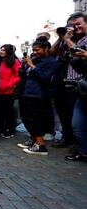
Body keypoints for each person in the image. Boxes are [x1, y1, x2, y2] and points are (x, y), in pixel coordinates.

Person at [50, 13, 87, 150]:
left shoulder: (83, 40)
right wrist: (61, 38)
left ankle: (78, 143)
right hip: (59, 80)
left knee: (74, 113)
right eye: (71, 25)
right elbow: (51, 53)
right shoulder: (66, 39)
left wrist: (67, 39)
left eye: (77, 24)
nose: (74, 28)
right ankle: (67, 138)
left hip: (76, 82)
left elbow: (78, 52)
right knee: (62, 112)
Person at [17, 36, 59, 155]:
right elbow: (25, 75)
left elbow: (45, 77)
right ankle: (34, 140)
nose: (35, 52)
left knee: (36, 119)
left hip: (38, 94)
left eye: (37, 50)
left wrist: (32, 65)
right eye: (33, 50)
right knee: (28, 118)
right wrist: (23, 67)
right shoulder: (34, 60)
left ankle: (41, 145)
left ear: (46, 49)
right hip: (27, 92)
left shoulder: (51, 62)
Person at [0, 44, 20, 138]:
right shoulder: (0, 61)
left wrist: (9, 85)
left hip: (8, 91)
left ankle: (10, 130)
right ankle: (1, 129)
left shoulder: (15, 61)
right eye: (1, 50)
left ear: (9, 52)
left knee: (8, 112)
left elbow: (18, 75)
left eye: (4, 50)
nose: (1, 51)